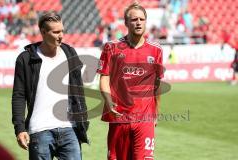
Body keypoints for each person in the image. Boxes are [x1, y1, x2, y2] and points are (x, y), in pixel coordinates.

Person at [12, 11, 89, 160]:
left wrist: (83, 120)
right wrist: (20, 129)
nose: (61, 35)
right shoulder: (26, 59)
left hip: (69, 129)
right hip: (39, 130)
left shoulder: (70, 53)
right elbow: (19, 96)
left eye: (62, 31)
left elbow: (78, 90)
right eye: (56, 32)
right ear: (43, 32)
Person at [97, 2, 163, 160]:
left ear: (146, 22)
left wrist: (156, 114)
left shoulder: (156, 50)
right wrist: (108, 100)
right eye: (134, 19)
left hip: (144, 120)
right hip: (119, 118)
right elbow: (104, 78)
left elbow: (157, 85)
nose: (138, 22)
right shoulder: (111, 47)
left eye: (142, 19)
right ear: (126, 23)